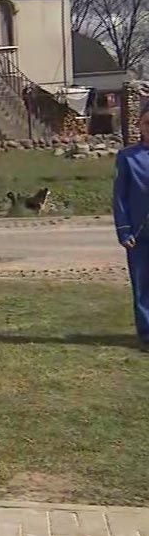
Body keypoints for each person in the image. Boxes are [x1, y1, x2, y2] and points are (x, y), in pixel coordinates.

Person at [113, 100, 149, 351]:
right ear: (140, 125)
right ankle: (147, 334)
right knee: (143, 285)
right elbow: (120, 197)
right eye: (148, 123)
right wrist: (124, 230)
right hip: (139, 234)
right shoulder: (127, 157)